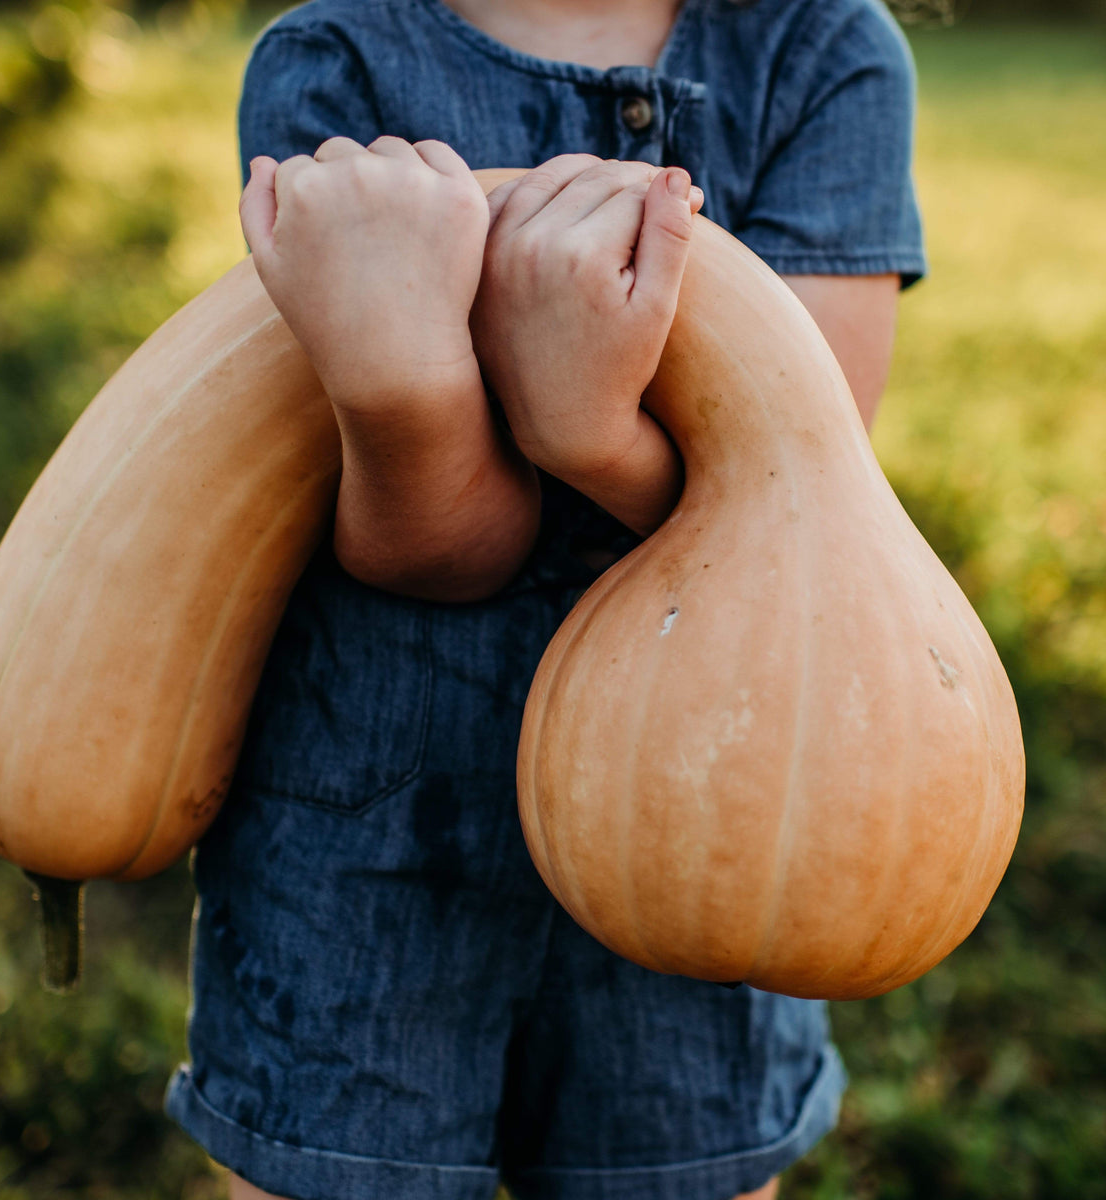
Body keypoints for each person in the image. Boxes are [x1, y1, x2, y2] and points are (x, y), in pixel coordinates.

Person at [163, 1, 927, 1197]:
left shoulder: (822, 50)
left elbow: (798, 512)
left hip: (718, 810)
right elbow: (428, 550)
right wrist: (403, 393)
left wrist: (587, 434)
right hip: (371, 840)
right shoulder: (332, 60)